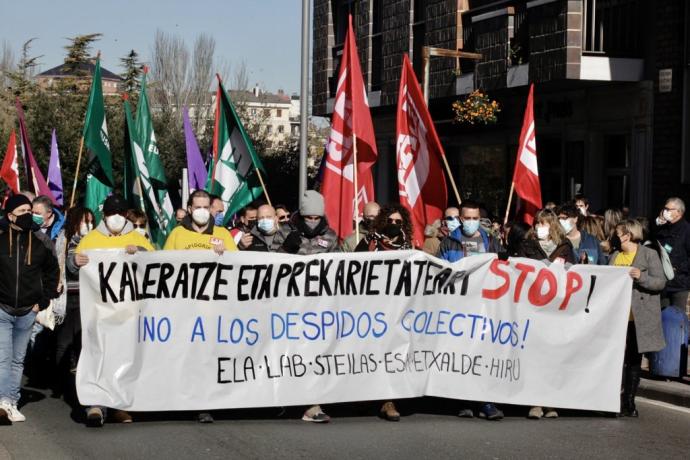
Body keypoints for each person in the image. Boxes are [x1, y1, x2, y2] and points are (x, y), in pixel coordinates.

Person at [72, 194, 154, 427]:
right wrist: (74, 262)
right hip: (99, 311)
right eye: (111, 214)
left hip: (129, 312)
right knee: (99, 354)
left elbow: (155, 265)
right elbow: (73, 266)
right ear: (104, 215)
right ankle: (96, 405)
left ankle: (120, 405)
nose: (115, 218)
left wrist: (139, 251)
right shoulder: (90, 239)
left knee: (125, 357)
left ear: (126, 214)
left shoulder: (137, 238)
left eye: (120, 213)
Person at [163, 190, 237, 423]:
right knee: (188, 355)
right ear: (190, 208)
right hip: (185, 309)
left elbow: (239, 268)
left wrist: (224, 255)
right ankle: (184, 397)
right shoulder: (177, 234)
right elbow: (162, 268)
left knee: (209, 356)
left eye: (207, 207)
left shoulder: (222, 234)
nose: (203, 211)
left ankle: (205, 403)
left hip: (214, 309)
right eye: (198, 207)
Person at [438, 201, 504, 420]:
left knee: (484, 354)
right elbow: (439, 270)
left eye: (475, 218)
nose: (471, 222)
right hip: (459, 306)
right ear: (461, 218)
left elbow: (503, 268)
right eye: (467, 218)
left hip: (486, 305)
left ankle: (486, 402)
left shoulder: (491, 240)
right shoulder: (449, 241)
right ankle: (464, 402)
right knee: (462, 354)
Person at [0, 194, 59, 424]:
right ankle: (3, 401)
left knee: (17, 360)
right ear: (10, 215)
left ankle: (11, 401)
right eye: (22, 210)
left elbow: (52, 272)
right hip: (3, 309)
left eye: (29, 210)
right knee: (3, 358)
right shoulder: (2, 237)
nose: (27, 214)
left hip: (28, 310)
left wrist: (43, 301)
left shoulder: (41, 239)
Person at [282, 190, 337, 422]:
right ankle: (287, 399)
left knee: (314, 352)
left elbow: (338, 267)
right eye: (308, 217)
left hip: (318, 305)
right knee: (291, 353)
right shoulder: (286, 232)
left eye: (316, 217)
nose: (312, 221)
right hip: (290, 304)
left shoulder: (331, 236)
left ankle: (313, 405)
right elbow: (270, 265)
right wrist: (286, 249)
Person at [515, 210, 574, 419]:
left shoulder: (565, 247)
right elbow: (517, 271)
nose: (540, 227)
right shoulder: (526, 245)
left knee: (553, 356)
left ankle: (552, 402)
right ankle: (535, 402)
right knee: (535, 356)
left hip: (556, 309)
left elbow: (574, 273)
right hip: (533, 308)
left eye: (545, 223)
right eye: (537, 223)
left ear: (553, 225)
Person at [609, 219, 666, 417]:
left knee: (633, 359)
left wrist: (641, 277)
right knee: (616, 359)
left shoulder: (648, 255)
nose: (615, 235)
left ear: (628, 235)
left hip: (638, 318)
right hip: (618, 318)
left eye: (618, 232)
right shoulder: (615, 256)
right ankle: (614, 400)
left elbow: (660, 283)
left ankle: (629, 403)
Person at [55, 207, 94, 403]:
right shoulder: (66, 240)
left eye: (90, 221)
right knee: (64, 341)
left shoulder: (94, 241)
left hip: (86, 297)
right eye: (83, 221)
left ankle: (78, 384)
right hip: (67, 296)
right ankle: (62, 382)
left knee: (81, 341)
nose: (88, 225)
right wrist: (75, 262)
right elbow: (66, 266)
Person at [654, 197, 690, 314]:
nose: (665, 211)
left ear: (679, 212)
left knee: (678, 317)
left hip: (679, 283)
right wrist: (658, 222)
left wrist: (678, 268)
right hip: (663, 282)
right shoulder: (663, 228)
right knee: (663, 316)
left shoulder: (686, 230)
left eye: (669, 209)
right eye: (664, 208)